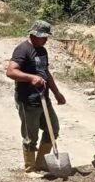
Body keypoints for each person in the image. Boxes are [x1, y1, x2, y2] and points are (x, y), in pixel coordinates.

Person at [6, 20, 66, 173]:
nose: (46, 40)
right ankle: (30, 167)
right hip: (28, 100)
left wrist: (57, 93)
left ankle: (41, 162)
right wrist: (31, 78)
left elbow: (45, 73)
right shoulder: (22, 50)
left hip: (44, 98)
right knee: (30, 137)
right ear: (33, 35)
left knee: (53, 129)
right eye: (43, 37)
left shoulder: (42, 51)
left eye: (47, 37)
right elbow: (11, 71)